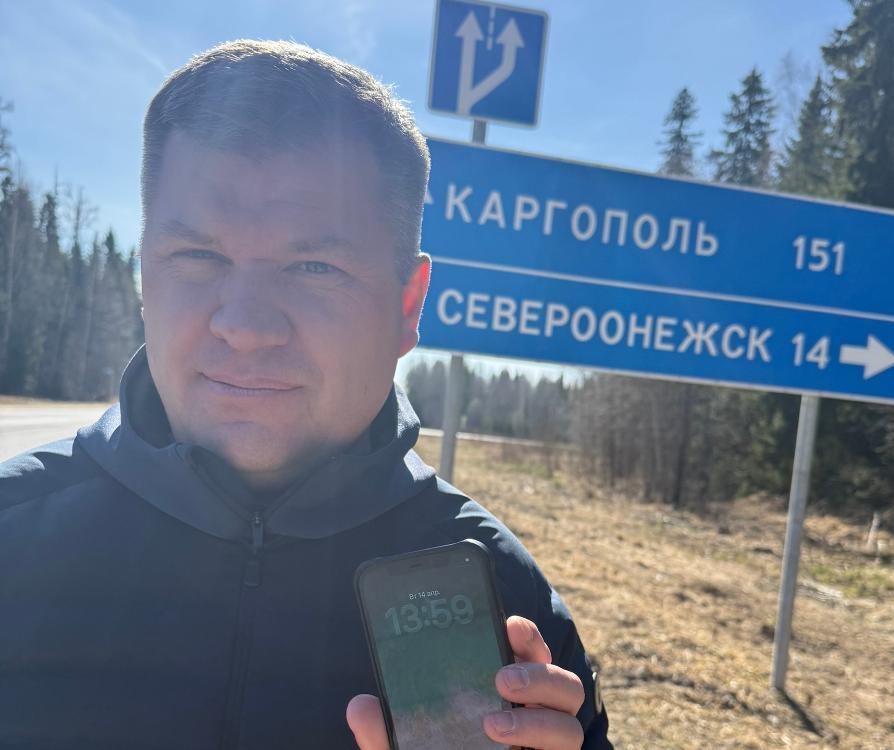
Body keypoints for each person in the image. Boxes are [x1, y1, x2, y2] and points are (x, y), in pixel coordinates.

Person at [0, 40, 611, 749]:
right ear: (145, 276)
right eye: (198, 255)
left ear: (407, 306)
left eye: (315, 266)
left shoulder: (506, 608)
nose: (245, 325)